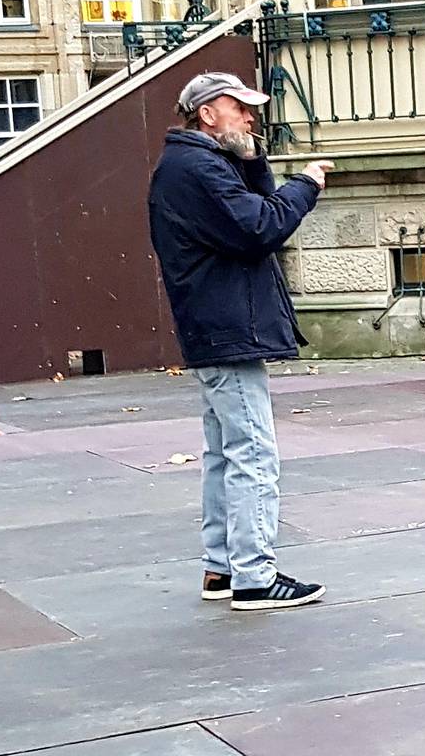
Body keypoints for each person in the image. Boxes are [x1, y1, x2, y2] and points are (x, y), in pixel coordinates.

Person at [148, 70, 334, 612]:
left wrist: (253, 161)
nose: (252, 117)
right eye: (241, 108)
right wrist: (306, 186)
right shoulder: (198, 168)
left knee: (223, 453)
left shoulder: (194, 165)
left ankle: (222, 568)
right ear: (208, 114)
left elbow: (248, 214)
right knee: (252, 451)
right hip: (229, 328)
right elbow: (261, 227)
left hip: (217, 325)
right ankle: (254, 574)